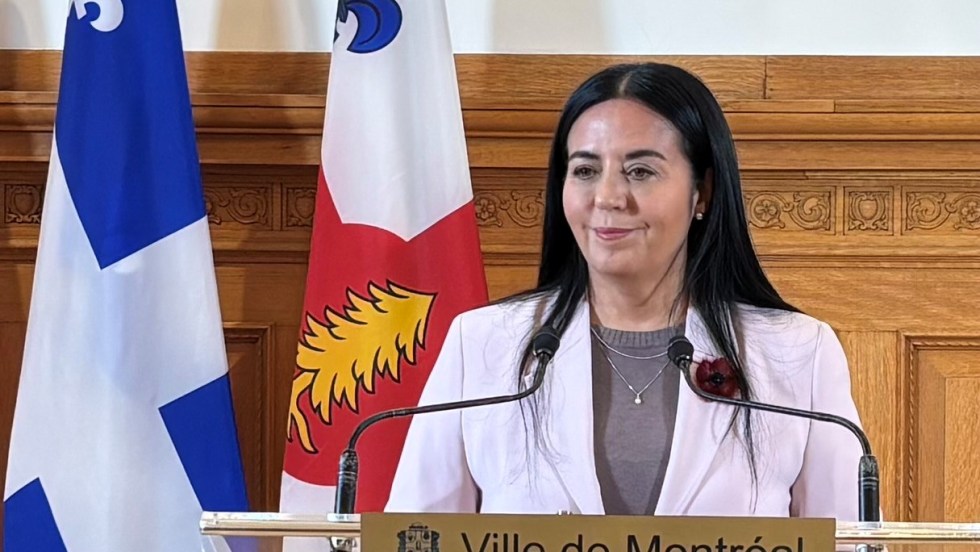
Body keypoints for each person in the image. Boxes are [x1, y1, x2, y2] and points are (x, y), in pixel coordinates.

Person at [385, 63, 866, 519]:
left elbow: (851, 542)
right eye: (585, 171)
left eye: (640, 171)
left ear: (703, 192)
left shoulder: (797, 352)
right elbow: (413, 536)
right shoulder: (483, 344)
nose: (608, 197)